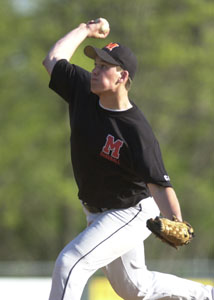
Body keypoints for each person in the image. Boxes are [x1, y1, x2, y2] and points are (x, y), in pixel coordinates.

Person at [42, 18, 214, 300]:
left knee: (69, 263)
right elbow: (53, 59)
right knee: (135, 288)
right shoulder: (83, 89)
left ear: (122, 78)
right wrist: (85, 30)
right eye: (95, 65)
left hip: (129, 211)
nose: (94, 71)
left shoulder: (136, 131)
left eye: (103, 67)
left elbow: (159, 184)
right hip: (97, 210)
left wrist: (177, 220)